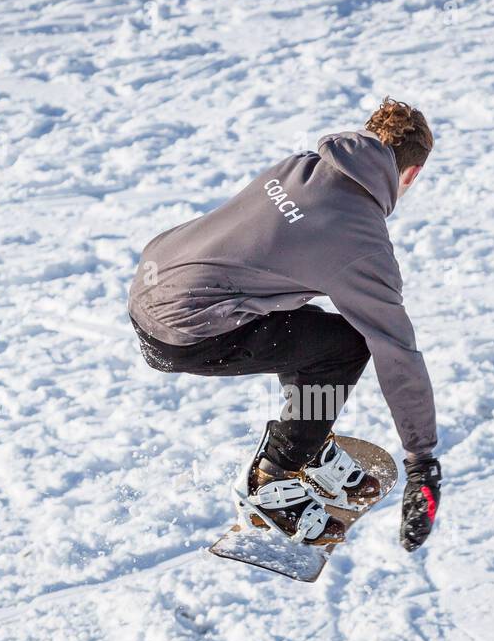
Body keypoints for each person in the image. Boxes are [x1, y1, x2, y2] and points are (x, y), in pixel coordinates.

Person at [128, 98, 441, 551]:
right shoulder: (360, 242)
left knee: (311, 333)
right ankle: (273, 481)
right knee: (346, 347)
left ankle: (307, 441)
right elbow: (396, 349)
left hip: (152, 281)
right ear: (410, 175)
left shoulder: (301, 167)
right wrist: (422, 459)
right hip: (183, 330)